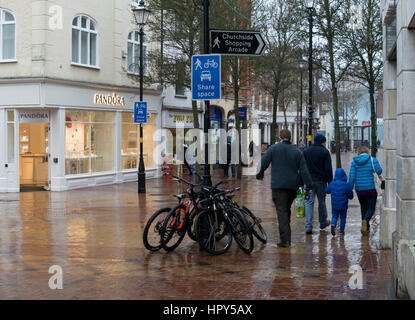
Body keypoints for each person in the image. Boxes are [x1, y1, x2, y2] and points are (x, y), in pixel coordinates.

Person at [256, 129, 313, 248]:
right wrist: (308, 185)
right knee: (285, 210)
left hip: (279, 185)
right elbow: (304, 170)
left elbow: (263, 163)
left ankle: (285, 240)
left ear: (280, 138)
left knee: (282, 212)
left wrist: (259, 175)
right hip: (293, 186)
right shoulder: (297, 151)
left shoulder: (273, 149)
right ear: (290, 137)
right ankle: (285, 235)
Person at [303, 133, 333, 234]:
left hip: (309, 182)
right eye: (324, 142)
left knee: (308, 203)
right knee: (322, 202)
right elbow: (328, 169)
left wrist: (302, 181)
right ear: (322, 142)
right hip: (321, 182)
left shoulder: (306, 151)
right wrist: (330, 182)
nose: (325, 144)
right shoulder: (325, 152)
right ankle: (323, 222)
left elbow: (302, 168)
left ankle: (308, 226)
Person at [349, 146, 383, 235]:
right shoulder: (372, 160)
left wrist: (350, 189)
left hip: (359, 189)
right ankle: (365, 220)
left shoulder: (354, 162)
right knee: (371, 208)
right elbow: (379, 171)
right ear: (368, 152)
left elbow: (352, 177)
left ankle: (366, 228)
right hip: (370, 188)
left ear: (358, 153)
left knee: (363, 207)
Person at [325, 168, 354, 236]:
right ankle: (341, 230)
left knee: (334, 216)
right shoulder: (346, 185)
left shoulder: (332, 184)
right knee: (343, 217)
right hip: (343, 205)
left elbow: (327, 190)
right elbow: (351, 196)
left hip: (335, 205)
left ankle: (333, 224)